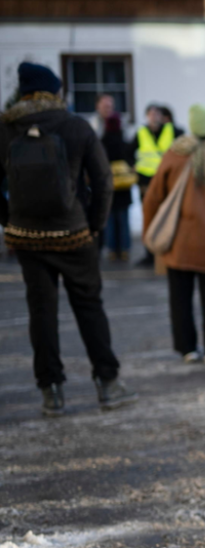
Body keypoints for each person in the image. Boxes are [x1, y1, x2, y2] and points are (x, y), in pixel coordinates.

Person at [0, 62, 136, 415]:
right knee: (89, 308)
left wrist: (9, 221)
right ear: (56, 92)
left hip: (27, 236)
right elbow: (103, 181)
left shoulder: (6, 128)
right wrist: (93, 226)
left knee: (41, 313)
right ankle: (108, 385)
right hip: (74, 235)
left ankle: (52, 392)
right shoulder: (75, 126)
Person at [142, 105, 205, 364]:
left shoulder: (174, 156)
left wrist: (150, 232)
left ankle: (187, 348)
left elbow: (152, 199)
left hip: (178, 240)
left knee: (179, 297)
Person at [130, 103, 184, 267]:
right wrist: (133, 166)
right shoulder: (141, 133)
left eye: (157, 114)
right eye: (151, 114)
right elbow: (127, 152)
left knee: (169, 216)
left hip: (167, 181)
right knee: (149, 218)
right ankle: (150, 254)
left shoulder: (173, 131)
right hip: (146, 183)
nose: (154, 117)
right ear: (147, 116)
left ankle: (169, 251)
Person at [102, 113, 134, 261]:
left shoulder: (102, 142)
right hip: (124, 187)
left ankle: (112, 250)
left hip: (108, 187)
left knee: (110, 221)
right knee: (123, 220)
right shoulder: (124, 142)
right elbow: (131, 161)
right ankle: (125, 249)